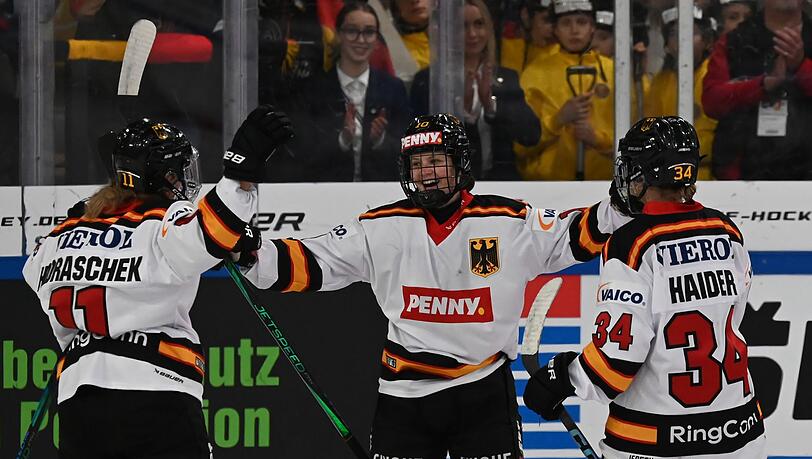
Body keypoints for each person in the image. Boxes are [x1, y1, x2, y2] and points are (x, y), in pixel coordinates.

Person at [233, 113, 630, 458]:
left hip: (484, 391)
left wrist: (622, 203)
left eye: (436, 161)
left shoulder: (509, 221)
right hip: (404, 397)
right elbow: (310, 262)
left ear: (459, 164)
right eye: (417, 164)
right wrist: (249, 251)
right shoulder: (380, 226)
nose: (426, 174)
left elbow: (575, 234)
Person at [22, 106, 293, 458]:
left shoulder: (62, 234)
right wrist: (241, 174)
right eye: (178, 172)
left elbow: (34, 273)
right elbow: (210, 233)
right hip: (155, 393)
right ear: (160, 178)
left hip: (79, 405)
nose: (183, 181)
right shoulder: (163, 220)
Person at [522, 116, 766, 458]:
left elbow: (615, 364)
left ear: (644, 175)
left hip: (655, 440)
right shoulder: (726, 230)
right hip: (742, 435)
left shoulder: (631, 245)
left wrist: (561, 377)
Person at [410, 0, 540, 180]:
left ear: (489, 28)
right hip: (448, 185)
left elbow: (531, 135)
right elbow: (418, 142)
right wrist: (462, 113)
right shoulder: (428, 81)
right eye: (462, 26)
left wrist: (492, 107)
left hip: (502, 185)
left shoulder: (507, 77)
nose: (472, 34)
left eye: (479, 24)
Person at [285, 1, 410, 182]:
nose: (360, 40)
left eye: (368, 32)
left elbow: (409, 151)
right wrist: (342, 140)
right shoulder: (313, 88)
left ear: (376, 39)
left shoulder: (393, 88)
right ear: (338, 34)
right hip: (328, 195)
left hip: (380, 195)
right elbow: (303, 151)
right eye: (352, 31)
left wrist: (381, 139)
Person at [702, 0, 812, 180]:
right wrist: (762, 85)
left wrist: (801, 66)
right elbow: (712, 101)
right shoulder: (735, 41)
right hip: (742, 180)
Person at [518, 0, 618, 180]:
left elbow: (632, 134)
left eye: (581, 22)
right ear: (555, 29)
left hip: (605, 183)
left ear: (592, 27)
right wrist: (558, 119)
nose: (574, 30)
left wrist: (597, 139)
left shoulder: (615, 72)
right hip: (548, 185)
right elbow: (520, 145)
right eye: (566, 23)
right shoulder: (535, 73)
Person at [645, 5, 718, 180]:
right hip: (667, 176)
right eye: (673, 34)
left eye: (691, 32)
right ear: (667, 45)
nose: (681, 38)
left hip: (711, 175)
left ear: (707, 41)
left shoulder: (715, 75)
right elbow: (649, 130)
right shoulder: (660, 82)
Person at [500, 0, 558, 74]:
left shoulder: (562, 49)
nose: (552, 29)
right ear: (526, 16)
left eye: (556, 21)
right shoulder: (512, 45)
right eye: (546, 20)